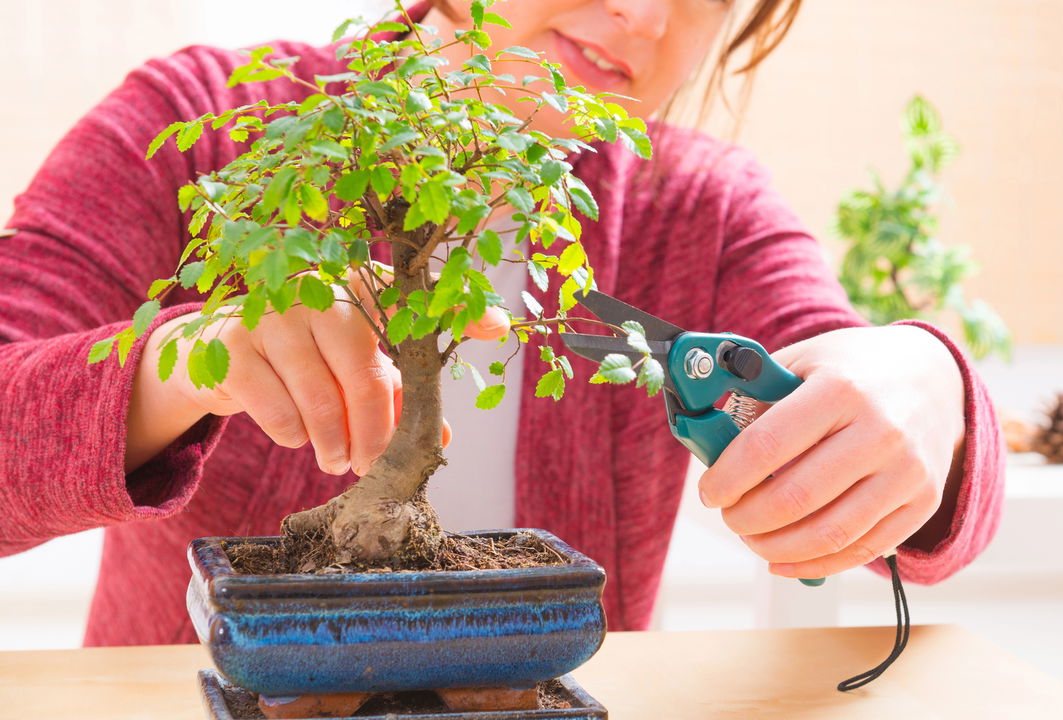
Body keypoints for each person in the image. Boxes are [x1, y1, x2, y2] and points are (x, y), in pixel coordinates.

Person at [0, 0, 1004, 646]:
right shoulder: (209, 126)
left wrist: (925, 387)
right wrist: (188, 360)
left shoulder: (703, 215)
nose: (642, 15)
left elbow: (908, 504)